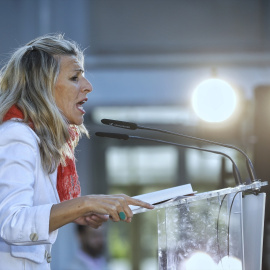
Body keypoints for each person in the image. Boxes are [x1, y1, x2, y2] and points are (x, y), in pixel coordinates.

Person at [0, 34, 154, 270]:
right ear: (43, 87)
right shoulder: (17, 136)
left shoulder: (39, 140)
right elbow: (12, 223)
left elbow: (30, 213)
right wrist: (84, 204)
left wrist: (75, 212)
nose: (88, 86)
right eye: (75, 77)